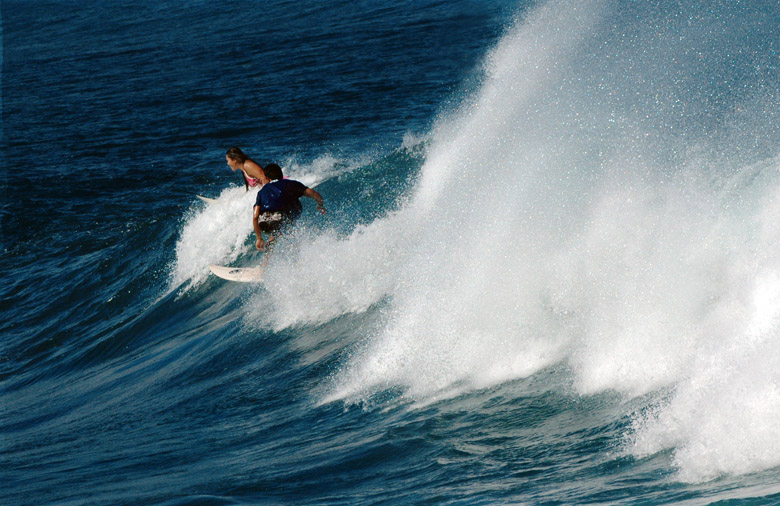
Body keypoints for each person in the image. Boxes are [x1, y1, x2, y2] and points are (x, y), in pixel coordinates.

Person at [253, 163, 326, 251]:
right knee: (289, 229)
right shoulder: (291, 184)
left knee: (274, 235)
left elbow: (255, 216)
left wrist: (259, 238)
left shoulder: (261, 191)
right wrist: (320, 205)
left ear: (267, 178)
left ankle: (265, 262)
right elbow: (315, 195)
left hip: (263, 222)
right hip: (280, 218)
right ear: (281, 175)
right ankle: (296, 258)